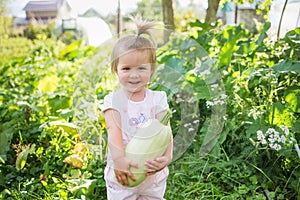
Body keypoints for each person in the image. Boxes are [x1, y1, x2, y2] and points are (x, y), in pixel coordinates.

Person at [101, 18, 173, 200]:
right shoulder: (114, 101)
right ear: (116, 70)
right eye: (126, 68)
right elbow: (113, 131)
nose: (134, 75)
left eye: (141, 68)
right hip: (123, 171)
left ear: (151, 71)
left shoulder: (158, 99)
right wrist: (119, 161)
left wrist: (167, 157)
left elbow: (166, 131)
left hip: (152, 173)